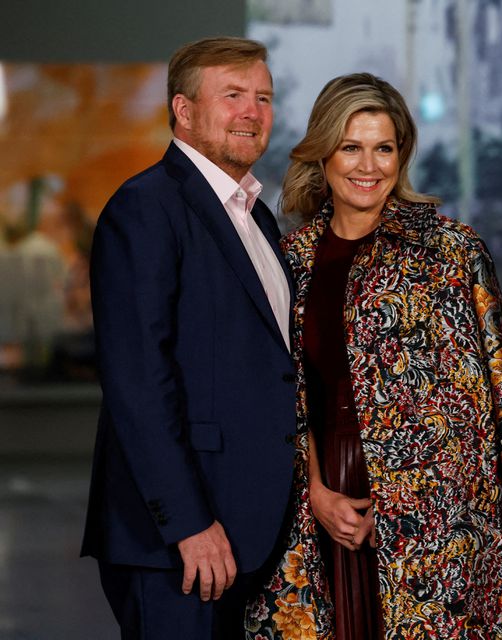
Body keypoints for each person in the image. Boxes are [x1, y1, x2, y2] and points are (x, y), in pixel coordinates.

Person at [245, 73, 502, 639]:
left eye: (383, 148)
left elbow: (501, 381)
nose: (368, 165)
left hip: (438, 509)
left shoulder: (452, 251)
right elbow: (279, 392)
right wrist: (315, 490)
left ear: (401, 155)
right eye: (351, 147)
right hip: (319, 493)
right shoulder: (286, 258)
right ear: (323, 154)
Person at [81, 37, 297, 638]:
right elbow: (138, 384)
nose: (252, 112)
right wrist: (188, 524)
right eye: (232, 96)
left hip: (244, 530)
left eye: (263, 98)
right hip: (177, 540)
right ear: (183, 109)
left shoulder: (254, 215)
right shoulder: (145, 207)